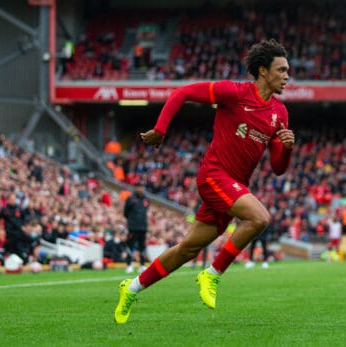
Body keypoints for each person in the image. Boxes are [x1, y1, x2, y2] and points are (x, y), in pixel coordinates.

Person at [114, 39, 294, 324]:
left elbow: (278, 168)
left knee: (187, 249)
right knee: (259, 218)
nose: (287, 76)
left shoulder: (279, 114)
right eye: (281, 70)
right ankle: (212, 274)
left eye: (288, 71)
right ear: (262, 70)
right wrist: (161, 129)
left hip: (233, 188)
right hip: (214, 176)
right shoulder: (233, 93)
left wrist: (287, 148)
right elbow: (182, 92)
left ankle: (132, 287)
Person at [123, 183, 150, 273]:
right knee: (130, 245)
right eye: (138, 187)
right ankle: (129, 264)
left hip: (143, 227)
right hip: (133, 227)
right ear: (135, 188)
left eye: (141, 186)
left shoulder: (146, 199)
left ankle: (142, 265)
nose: (140, 188)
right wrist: (132, 221)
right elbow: (125, 213)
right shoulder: (130, 199)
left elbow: (145, 212)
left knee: (142, 246)